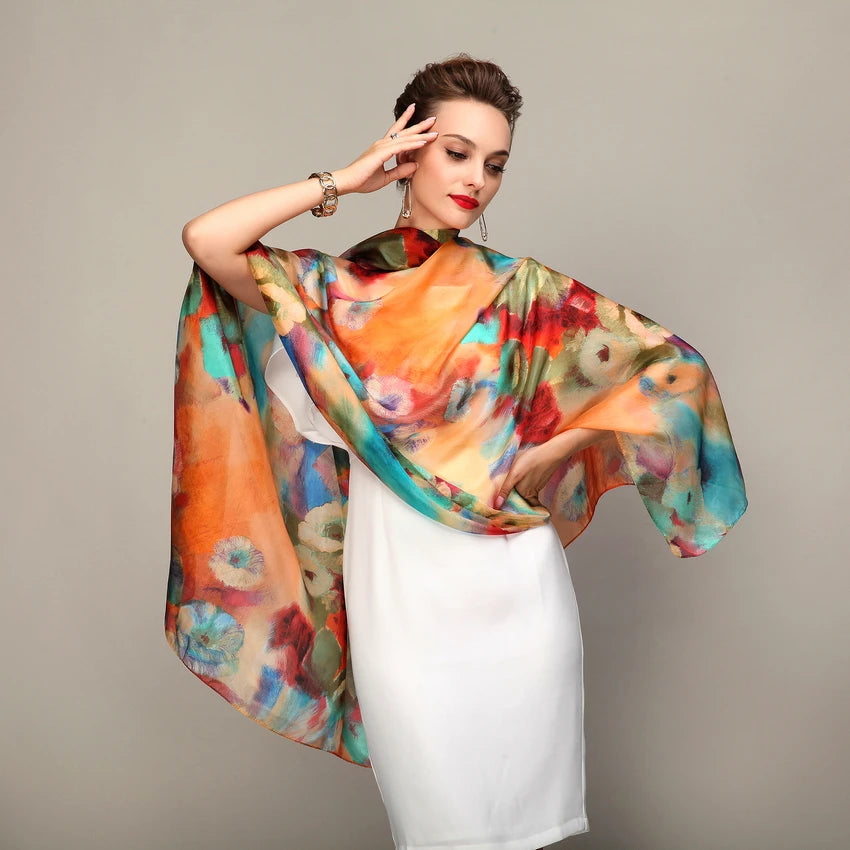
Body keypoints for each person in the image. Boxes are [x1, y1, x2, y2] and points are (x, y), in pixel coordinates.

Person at [166, 54, 747, 850]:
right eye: (458, 152)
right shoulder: (333, 295)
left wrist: (556, 450)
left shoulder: (521, 293)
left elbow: (674, 374)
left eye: (495, 164)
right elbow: (208, 240)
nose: (477, 178)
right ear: (410, 149)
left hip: (516, 596)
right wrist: (346, 180)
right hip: (401, 606)